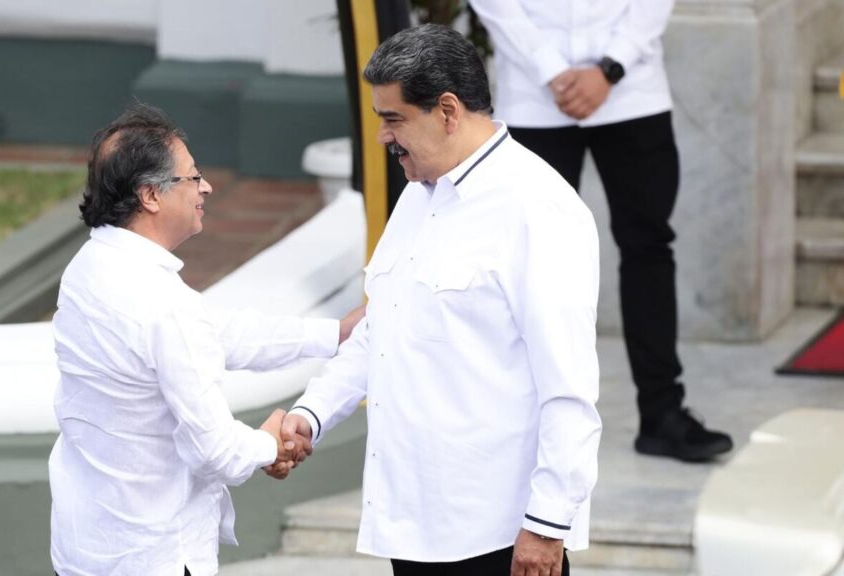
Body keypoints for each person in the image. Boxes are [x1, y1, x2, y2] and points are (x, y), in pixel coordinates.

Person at [274, 24, 602, 576]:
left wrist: (547, 526)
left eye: (393, 118)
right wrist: (312, 413)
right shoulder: (418, 196)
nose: (383, 137)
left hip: (499, 536)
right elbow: (382, 328)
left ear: (448, 110)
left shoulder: (537, 208)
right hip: (417, 525)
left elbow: (568, 389)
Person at [48, 104, 361, 576]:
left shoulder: (88, 269)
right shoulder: (162, 303)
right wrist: (271, 443)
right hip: (155, 557)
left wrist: (333, 334)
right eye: (193, 178)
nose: (207, 187)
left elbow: (215, 335)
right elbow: (217, 450)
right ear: (151, 195)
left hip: (85, 549)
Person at [468, 0, 733, 462]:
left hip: (633, 93)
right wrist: (550, 68)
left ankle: (662, 414)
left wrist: (610, 69)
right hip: (534, 96)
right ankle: (524, 423)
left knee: (648, 248)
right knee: (530, 261)